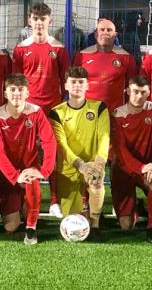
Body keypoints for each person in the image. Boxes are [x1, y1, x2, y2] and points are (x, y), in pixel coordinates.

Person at [0, 73, 56, 245]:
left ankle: (31, 228)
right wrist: (15, 176)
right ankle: (6, 203)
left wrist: (43, 171)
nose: (16, 94)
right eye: (12, 90)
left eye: (20, 90)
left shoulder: (36, 112)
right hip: (7, 174)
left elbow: (49, 141)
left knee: (32, 181)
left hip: (29, 170)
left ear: (27, 93)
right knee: (11, 226)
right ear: (5, 94)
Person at [49, 67, 110, 240]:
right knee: (74, 220)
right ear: (66, 85)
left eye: (81, 82)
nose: (77, 86)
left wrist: (98, 163)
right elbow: (61, 145)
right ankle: (87, 212)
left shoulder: (99, 107)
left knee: (96, 180)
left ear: (87, 85)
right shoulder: (56, 112)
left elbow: (104, 137)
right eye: (73, 82)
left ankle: (96, 224)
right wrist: (80, 165)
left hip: (92, 164)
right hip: (69, 169)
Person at [110, 75, 152, 243]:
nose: (138, 96)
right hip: (124, 169)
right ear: (127, 91)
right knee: (126, 225)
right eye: (135, 92)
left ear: (149, 93)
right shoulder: (116, 114)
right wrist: (142, 167)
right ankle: (135, 208)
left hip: (148, 167)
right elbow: (121, 151)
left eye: (143, 92)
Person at [12, 2, 70, 114]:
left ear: (50, 21)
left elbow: (65, 79)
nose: (39, 22)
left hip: (54, 105)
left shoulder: (59, 48)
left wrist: (61, 100)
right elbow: (16, 81)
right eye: (35, 18)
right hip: (28, 105)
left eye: (43, 19)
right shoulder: (20, 49)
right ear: (29, 21)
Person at [74, 17, 137, 111]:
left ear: (115, 35)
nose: (105, 32)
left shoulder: (126, 57)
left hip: (115, 113)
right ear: (95, 35)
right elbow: (74, 83)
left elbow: (132, 87)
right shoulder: (82, 55)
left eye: (109, 30)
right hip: (87, 112)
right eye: (102, 30)